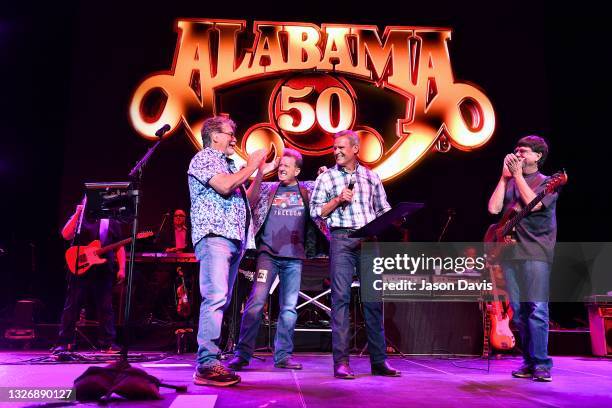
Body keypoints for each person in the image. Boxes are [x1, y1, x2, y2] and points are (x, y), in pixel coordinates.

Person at [310, 130, 400, 379]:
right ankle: (341, 362)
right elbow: (316, 212)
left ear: (355, 150)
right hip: (342, 239)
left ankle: (379, 361)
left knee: (373, 301)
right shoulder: (327, 178)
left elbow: (383, 208)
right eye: (334, 148)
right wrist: (338, 200)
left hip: (369, 241)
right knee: (340, 300)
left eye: (341, 148)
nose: (336, 151)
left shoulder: (371, 177)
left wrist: (395, 217)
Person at [227, 148, 328, 371]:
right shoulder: (268, 188)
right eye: (280, 165)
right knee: (255, 304)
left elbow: (326, 193)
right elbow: (249, 201)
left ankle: (283, 356)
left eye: (287, 166)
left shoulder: (307, 189)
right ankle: (242, 354)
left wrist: (325, 173)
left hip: (294, 258)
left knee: (289, 308)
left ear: (297, 170)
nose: (282, 168)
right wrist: (261, 171)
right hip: (268, 255)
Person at [188, 115, 268, 386]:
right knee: (215, 297)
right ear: (215, 136)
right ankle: (206, 364)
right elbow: (224, 186)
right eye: (230, 133)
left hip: (234, 240)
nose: (235, 138)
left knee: (221, 299)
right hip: (215, 237)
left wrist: (258, 172)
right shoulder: (205, 158)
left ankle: (212, 360)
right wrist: (252, 164)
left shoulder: (229, 165)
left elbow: (251, 200)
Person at [487, 135, 559, 382]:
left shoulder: (548, 182)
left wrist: (517, 177)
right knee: (517, 312)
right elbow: (493, 209)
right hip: (511, 254)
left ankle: (542, 364)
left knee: (536, 308)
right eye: (516, 150)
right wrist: (504, 177)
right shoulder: (509, 181)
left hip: (536, 252)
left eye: (524, 151)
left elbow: (533, 205)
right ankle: (529, 362)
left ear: (537, 156)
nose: (518, 155)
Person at [52, 198, 125, 353]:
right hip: (81, 265)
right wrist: (77, 213)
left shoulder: (111, 220)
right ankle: (64, 342)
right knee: (72, 305)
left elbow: (119, 246)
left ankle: (108, 343)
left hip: (104, 268)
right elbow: (66, 235)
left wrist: (122, 268)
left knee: (105, 307)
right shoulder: (80, 218)